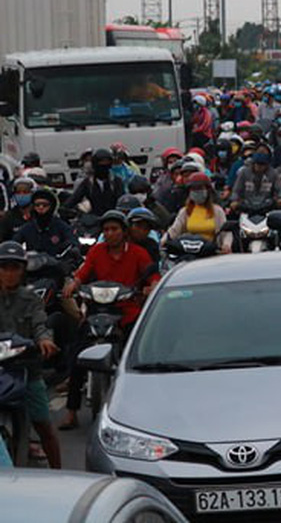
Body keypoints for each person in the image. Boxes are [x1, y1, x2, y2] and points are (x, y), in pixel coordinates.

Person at [59, 211, 158, 429]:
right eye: (106, 230)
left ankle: (140, 406)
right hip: (97, 310)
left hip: (127, 311)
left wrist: (151, 285)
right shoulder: (96, 251)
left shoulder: (138, 253)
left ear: (124, 232)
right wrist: (73, 284)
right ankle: (71, 411)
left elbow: (153, 275)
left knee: (138, 355)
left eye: (114, 229)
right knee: (77, 355)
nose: (110, 233)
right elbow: (82, 274)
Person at [0, 241, 62, 468]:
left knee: (44, 426)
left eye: (14, 267)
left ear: (22, 270)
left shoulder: (32, 299)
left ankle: (59, 475)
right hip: (0, 371)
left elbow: (40, 324)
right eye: (4, 267)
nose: (9, 273)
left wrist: (45, 340)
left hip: (27, 371)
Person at [165, 173, 233, 253]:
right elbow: (174, 230)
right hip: (188, 254)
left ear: (207, 190)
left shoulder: (217, 211)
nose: (197, 192)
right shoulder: (185, 211)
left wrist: (226, 245)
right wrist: (164, 240)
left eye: (200, 188)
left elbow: (225, 232)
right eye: (194, 189)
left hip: (210, 254)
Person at [13, 188, 76, 259]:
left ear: (51, 206)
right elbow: (14, 243)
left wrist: (63, 249)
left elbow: (72, 242)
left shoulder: (61, 226)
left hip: (56, 265)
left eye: (45, 205)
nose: (41, 207)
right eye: (37, 205)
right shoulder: (28, 227)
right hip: (32, 264)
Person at [63, 148, 125, 217]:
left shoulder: (116, 181)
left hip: (113, 219)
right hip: (93, 221)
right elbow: (74, 199)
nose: (103, 168)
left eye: (106, 165)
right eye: (100, 165)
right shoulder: (88, 183)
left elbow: (122, 201)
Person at [0, 177, 37, 241]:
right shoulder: (9, 217)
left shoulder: (38, 214)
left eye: (25, 192)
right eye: (18, 192)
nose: (21, 195)